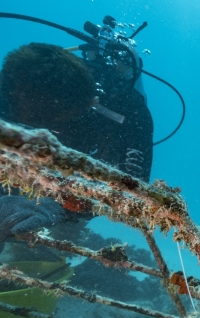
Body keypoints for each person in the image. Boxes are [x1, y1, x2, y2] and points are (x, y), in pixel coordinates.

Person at [0, 42, 153, 245]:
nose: (30, 128)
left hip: (79, 187)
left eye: (40, 119)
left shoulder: (129, 114)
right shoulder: (15, 85)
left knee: (51, 236)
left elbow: (131, 190)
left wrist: (61, 206)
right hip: (24, 176)